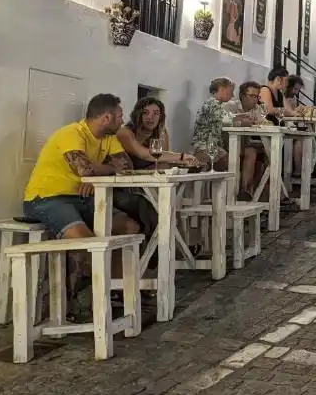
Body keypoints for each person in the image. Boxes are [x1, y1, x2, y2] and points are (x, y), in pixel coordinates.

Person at [22, 95, 144, 318]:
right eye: (119, 116)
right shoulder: (72, 133)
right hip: (48, 197)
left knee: (129, 228)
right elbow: (84, 170)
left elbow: (125, 166)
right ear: (106, 117)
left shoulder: (109, 138)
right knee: (85, 241)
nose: (122, 120)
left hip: (82, 198)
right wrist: (103, 170)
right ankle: (73, 300)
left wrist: (95, 173)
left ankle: (112, 293)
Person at [116, 97, 196, 169]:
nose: (150, 117)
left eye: (156, 113)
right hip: (124, 180)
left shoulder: (162, 132)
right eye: (145, 112)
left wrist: (183, 162)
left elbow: (163, 161)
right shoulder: (125, 132)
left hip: (149, 180)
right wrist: (181, 156)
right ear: (138, 115)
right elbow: (144, 154)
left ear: (161, 117)